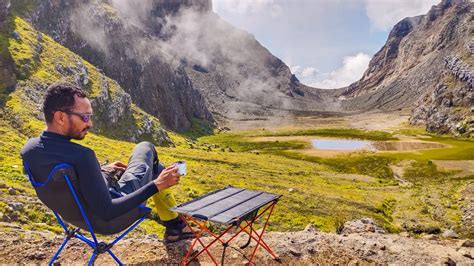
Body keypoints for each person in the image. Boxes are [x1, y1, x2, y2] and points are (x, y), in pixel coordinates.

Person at [20, 82, 192, 243]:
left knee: (155, 168)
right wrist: (157, 185)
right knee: (146, 148)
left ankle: (175, 227)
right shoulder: (82, 156)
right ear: (60, 117)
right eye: (85, 117)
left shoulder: (29, 150)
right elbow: (108, 211)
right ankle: (175, 226)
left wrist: (100, 172)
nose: (90, 123)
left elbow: (70, 184)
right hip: (110, 220)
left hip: (78, 218)